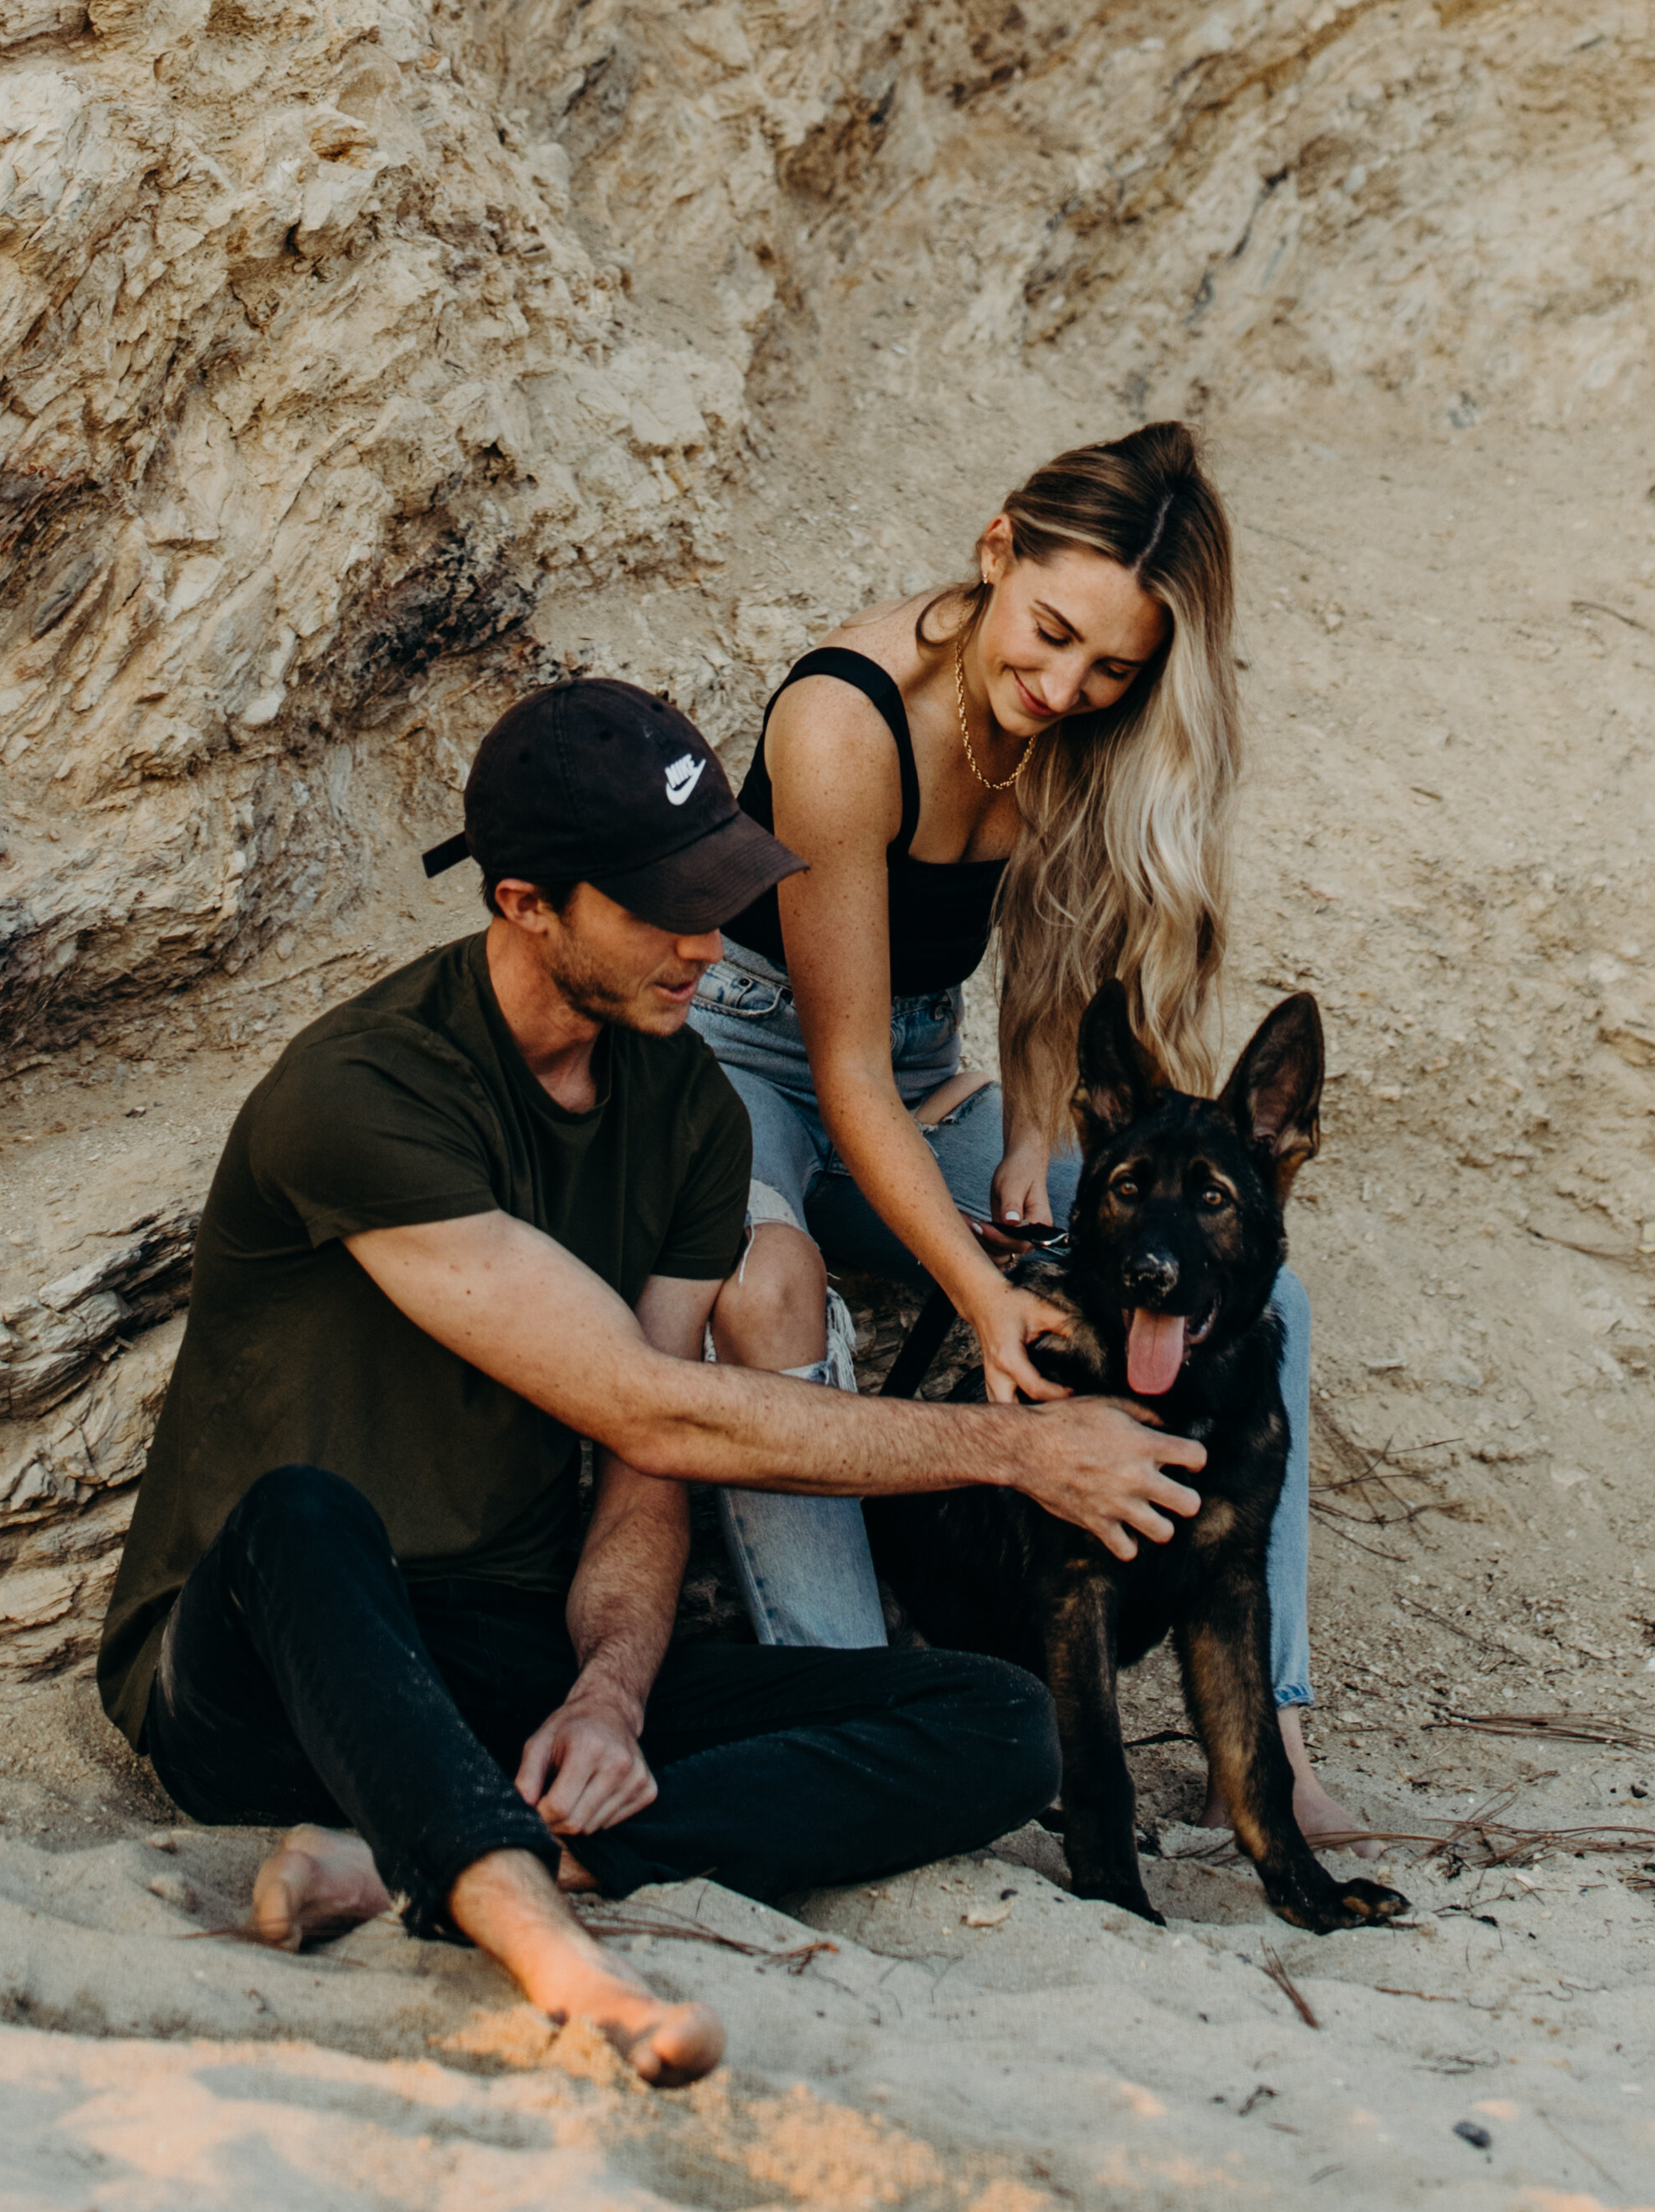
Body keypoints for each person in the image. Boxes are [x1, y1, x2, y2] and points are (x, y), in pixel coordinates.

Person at [98, 677, 1208, 2087]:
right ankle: (544, 1944)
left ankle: (448, 1851)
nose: (706, 942)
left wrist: (613, 1692)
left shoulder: (681, 1102)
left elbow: (649, 1464)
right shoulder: (365, 1095)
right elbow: (642, 1401)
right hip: (264, 1661)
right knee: (301, 1514)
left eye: (716, 893)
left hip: (500, 1655)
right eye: (660, 908)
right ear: (526, 905)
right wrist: (1013, 1451)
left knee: (992, 1725)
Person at [692, 421, 1353, 1845]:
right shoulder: (842, 721)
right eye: (1049, 634)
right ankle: (856, 1697)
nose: (1065, 686)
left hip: (921, 1062)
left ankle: (1281, 1743)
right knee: (768, 1285)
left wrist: (1023, 1140)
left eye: (1113, 667)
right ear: (997, 552)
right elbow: (838, 1069)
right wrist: (984, 1293)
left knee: (1267, 1284)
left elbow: (1047, 969)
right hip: (741, 1052)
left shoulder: (1077, 728)